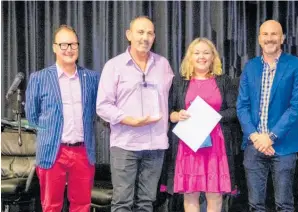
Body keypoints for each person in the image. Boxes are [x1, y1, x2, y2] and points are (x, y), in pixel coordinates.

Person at [96, 16, 174, 212]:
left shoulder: (163, 65)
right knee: (122, 202)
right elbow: (103, 106)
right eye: (140, 32)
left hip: (155, 145)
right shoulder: (114, 66)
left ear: (154, 37)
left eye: (149, 33)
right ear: (129, 35)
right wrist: (128, 119)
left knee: (146, 203)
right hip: (125, 144)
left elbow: (171, 99)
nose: (145, 37)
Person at [25, 25, 100, 212]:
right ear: (54, 47)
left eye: (73, 44)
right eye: (63, 44)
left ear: (78, 47)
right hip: (53, 151)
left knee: (82, 206)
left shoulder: (91, 78)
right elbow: (32, 116)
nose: (69, 49)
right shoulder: (39, 78)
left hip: (83, 151)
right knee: (51, 206)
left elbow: (98, 111)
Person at [236, 20, 298, 212]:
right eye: (265, 34)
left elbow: (296, 106)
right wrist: (255, 136)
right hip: (254, 144)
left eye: (274, 34)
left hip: (284, 145)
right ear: (259, 39)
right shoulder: (250, 67)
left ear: (282, 38)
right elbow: (242, 106)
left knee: (284, 204)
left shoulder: (296, 65)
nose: (270, 38)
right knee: (255, 205)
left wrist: (270, 137)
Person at [162, 37, 238, 212]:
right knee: (190, 194)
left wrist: (210, 117)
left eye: (206, 53)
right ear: (190, 57)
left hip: (216, 145)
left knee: (215, 194)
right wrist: (176, 115)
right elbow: (169, 111)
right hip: (188, 146)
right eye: (196, 53)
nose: (201, 57)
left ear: (213, 57)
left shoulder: (223, 81)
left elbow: (234, 111)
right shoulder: (180, 82)